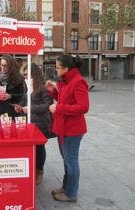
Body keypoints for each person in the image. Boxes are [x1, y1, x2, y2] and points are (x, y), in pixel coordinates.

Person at [46, 54, 89, 202]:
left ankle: (71, 193)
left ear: (65, 69)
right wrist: (54, 92)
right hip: (63, 128)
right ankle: (66, 187)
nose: (56, 70)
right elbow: (65, 99)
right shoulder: (66, 81)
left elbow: (83, 107)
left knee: (71, 161)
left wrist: (58, 108)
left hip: (72, 130)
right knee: (66, 160)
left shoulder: (78, 82)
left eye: (57, 67)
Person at [14, 63, 54, 185]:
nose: (25, 77)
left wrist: (31, 108)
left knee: (39, 147)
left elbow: (48, 105)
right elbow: (24, 99)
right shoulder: (28, 85)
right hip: (30, 122)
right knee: (32, 148)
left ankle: (39, 171)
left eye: (27, 75)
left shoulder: (43, 87)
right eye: (24, 75)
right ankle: (33, 169)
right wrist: (20, 106)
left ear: (34, 74)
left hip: (41, 122)